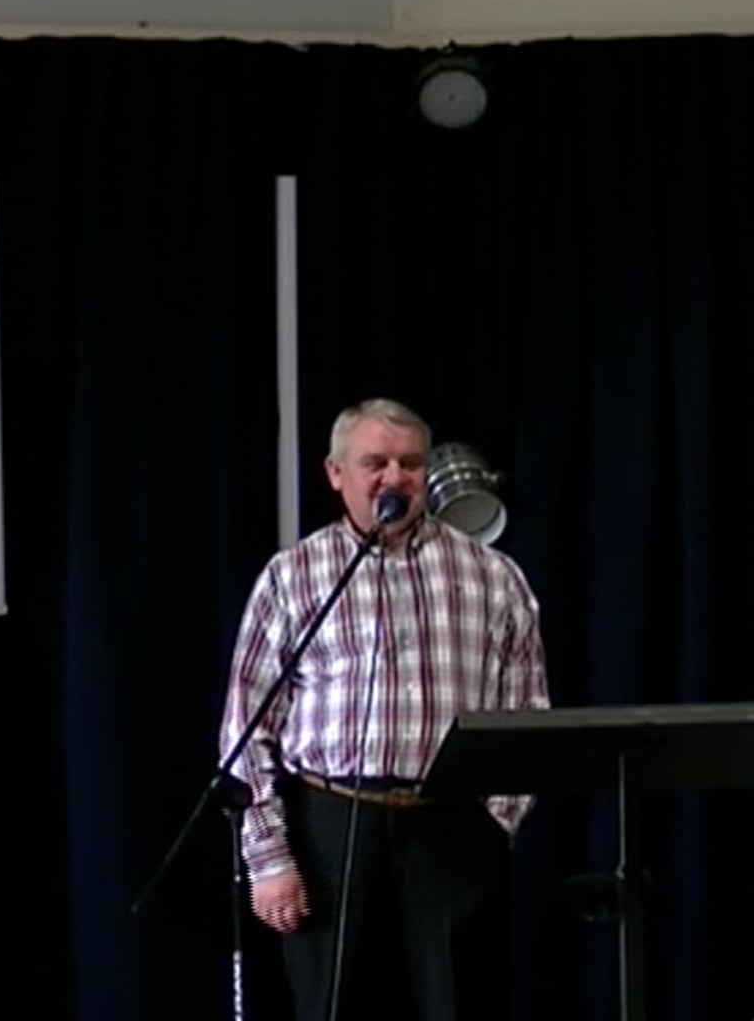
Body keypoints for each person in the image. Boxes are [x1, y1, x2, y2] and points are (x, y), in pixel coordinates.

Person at [217, 397, 551, 1021]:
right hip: (330, 830)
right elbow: (247, 729)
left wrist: (492, 829)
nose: (395, 477)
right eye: (375, 462)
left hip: (451, 831)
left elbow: (526, 718)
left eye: (410, 463)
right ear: (335, 473)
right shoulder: (295, 576)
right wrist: (269, 860)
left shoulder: (494, 577)